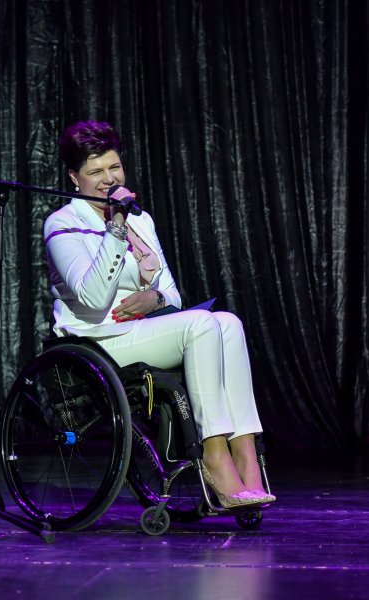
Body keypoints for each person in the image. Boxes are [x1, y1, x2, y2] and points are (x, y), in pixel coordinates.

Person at [43, 120, 276, 507]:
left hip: (146, 331)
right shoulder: (63, 224)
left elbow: (172, 293)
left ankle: (246, 454)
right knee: (203, 325)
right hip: (97, 341)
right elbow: (95, 297)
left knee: (229, 324)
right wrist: (115, 226)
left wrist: (155, 299)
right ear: (74, 178)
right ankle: (213, 456)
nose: (108, 179)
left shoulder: (142, 221)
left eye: (114, 168)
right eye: (95, 172)